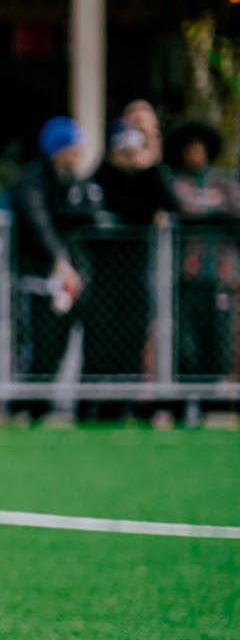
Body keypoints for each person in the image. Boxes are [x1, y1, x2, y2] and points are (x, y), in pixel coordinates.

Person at [83, 118, 181, 418]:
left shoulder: (148, 177)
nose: (129, 156)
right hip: (102, 278)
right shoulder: (100, 179)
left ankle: (123, 407)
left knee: (131, 344)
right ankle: (88, 407)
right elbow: (114, 205)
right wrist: (144, 213)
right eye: (123, 150)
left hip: (135, 278)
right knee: (99, 345)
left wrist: (149, 167)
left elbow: (170, 203)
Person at [10, 117, 106, 421]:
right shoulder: (32, 181)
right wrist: (58, 261)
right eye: (72, 146)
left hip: (70, 278)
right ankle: (25, 407)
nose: (78, 152)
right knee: (39, 344)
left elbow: (88, 215)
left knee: (63, 343)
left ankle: (52, 407)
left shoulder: (73, 183)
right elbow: (37, 222)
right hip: (38, 277)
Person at [168, 121, 238, 388]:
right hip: (186, 277)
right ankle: (188, 399)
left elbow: (233, 209)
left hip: (219, 276)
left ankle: (211, 395)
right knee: (187, 343)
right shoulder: (175, 179)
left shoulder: (224, 180)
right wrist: (212, 210)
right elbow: (184, 207)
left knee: (220, 340)